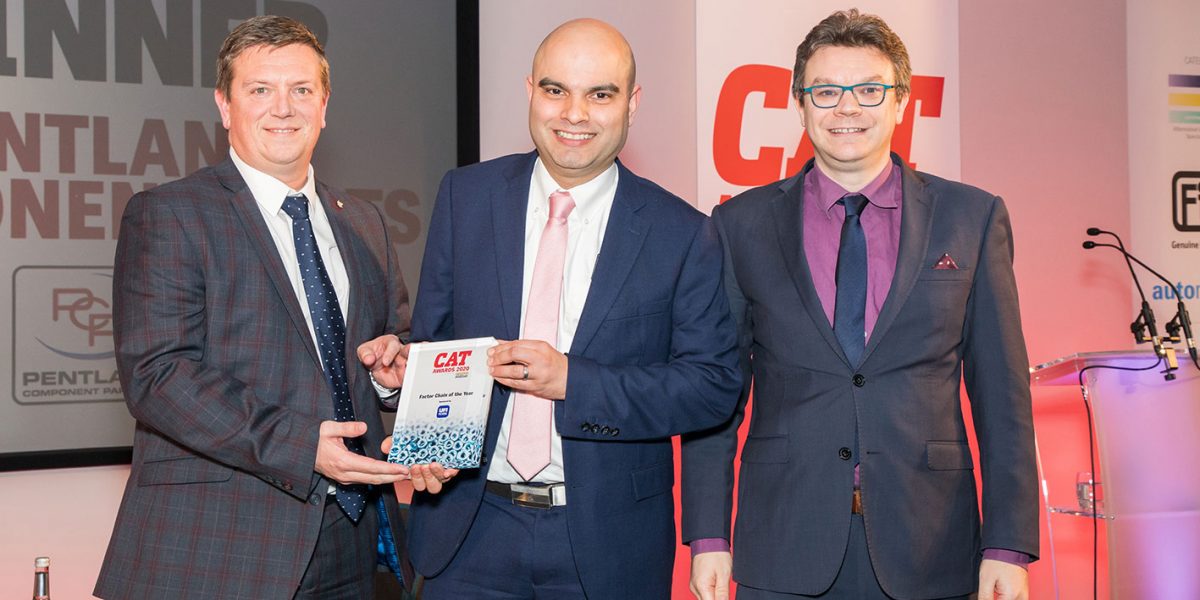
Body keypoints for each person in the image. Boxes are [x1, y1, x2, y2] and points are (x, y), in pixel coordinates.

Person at [681, 9, 1038, 600]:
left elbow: (1003, 397)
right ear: (800, 104)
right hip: (783, 542)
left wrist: (1008, 546)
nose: (847, 108)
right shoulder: (739, 224)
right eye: (825, 91)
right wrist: (708, 536)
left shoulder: (971, 218)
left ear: (901, 102)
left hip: (930, 544)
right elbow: (716, 395)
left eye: (869, 90)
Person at [384, 18, 740, 599]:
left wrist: (575, 381)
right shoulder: (465, 197)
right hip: (468, 535)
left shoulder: (682, 232)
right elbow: (437, 346)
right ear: (530, 91)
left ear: (632, 103)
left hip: (609, 547)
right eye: (556, 90)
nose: (574, 114)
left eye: (600, 94)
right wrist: (425, 441)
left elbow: (711, 387)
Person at [95, 15, 414, 599]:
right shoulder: (170, 214)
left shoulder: (364, 222)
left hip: (351, 539)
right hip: (220, 547)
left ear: (324, 105)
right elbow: (158, 376)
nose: (283, 109)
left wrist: (391, 376)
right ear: (225, 106)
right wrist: (301, 447)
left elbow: (388, 347)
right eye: (260, 90)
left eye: (301, 90)